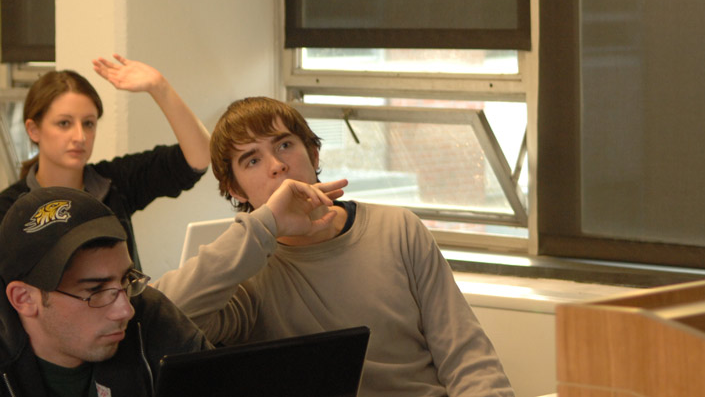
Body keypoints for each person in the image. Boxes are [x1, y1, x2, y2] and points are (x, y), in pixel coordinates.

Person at [155, 97, 514, 397]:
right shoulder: (247, 274)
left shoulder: (398, 228)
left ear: (312, 155)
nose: (277, 166)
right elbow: (159, 316)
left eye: (284, 145)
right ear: (235, 190)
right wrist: (264, 225)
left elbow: (468, 358)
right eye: (252, 160)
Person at [0, 55, 210, 271]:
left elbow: (198, 159)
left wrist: (159, 87)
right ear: (33, 130)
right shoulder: (9, 209)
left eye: (89, 123)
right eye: (64, 123)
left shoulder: (114, 182)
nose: (80, 136)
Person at [0, 186, 209, 396]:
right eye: (95, 290)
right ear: (24, 298)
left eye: (126, 278)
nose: (126, 310)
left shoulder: (152, 316)